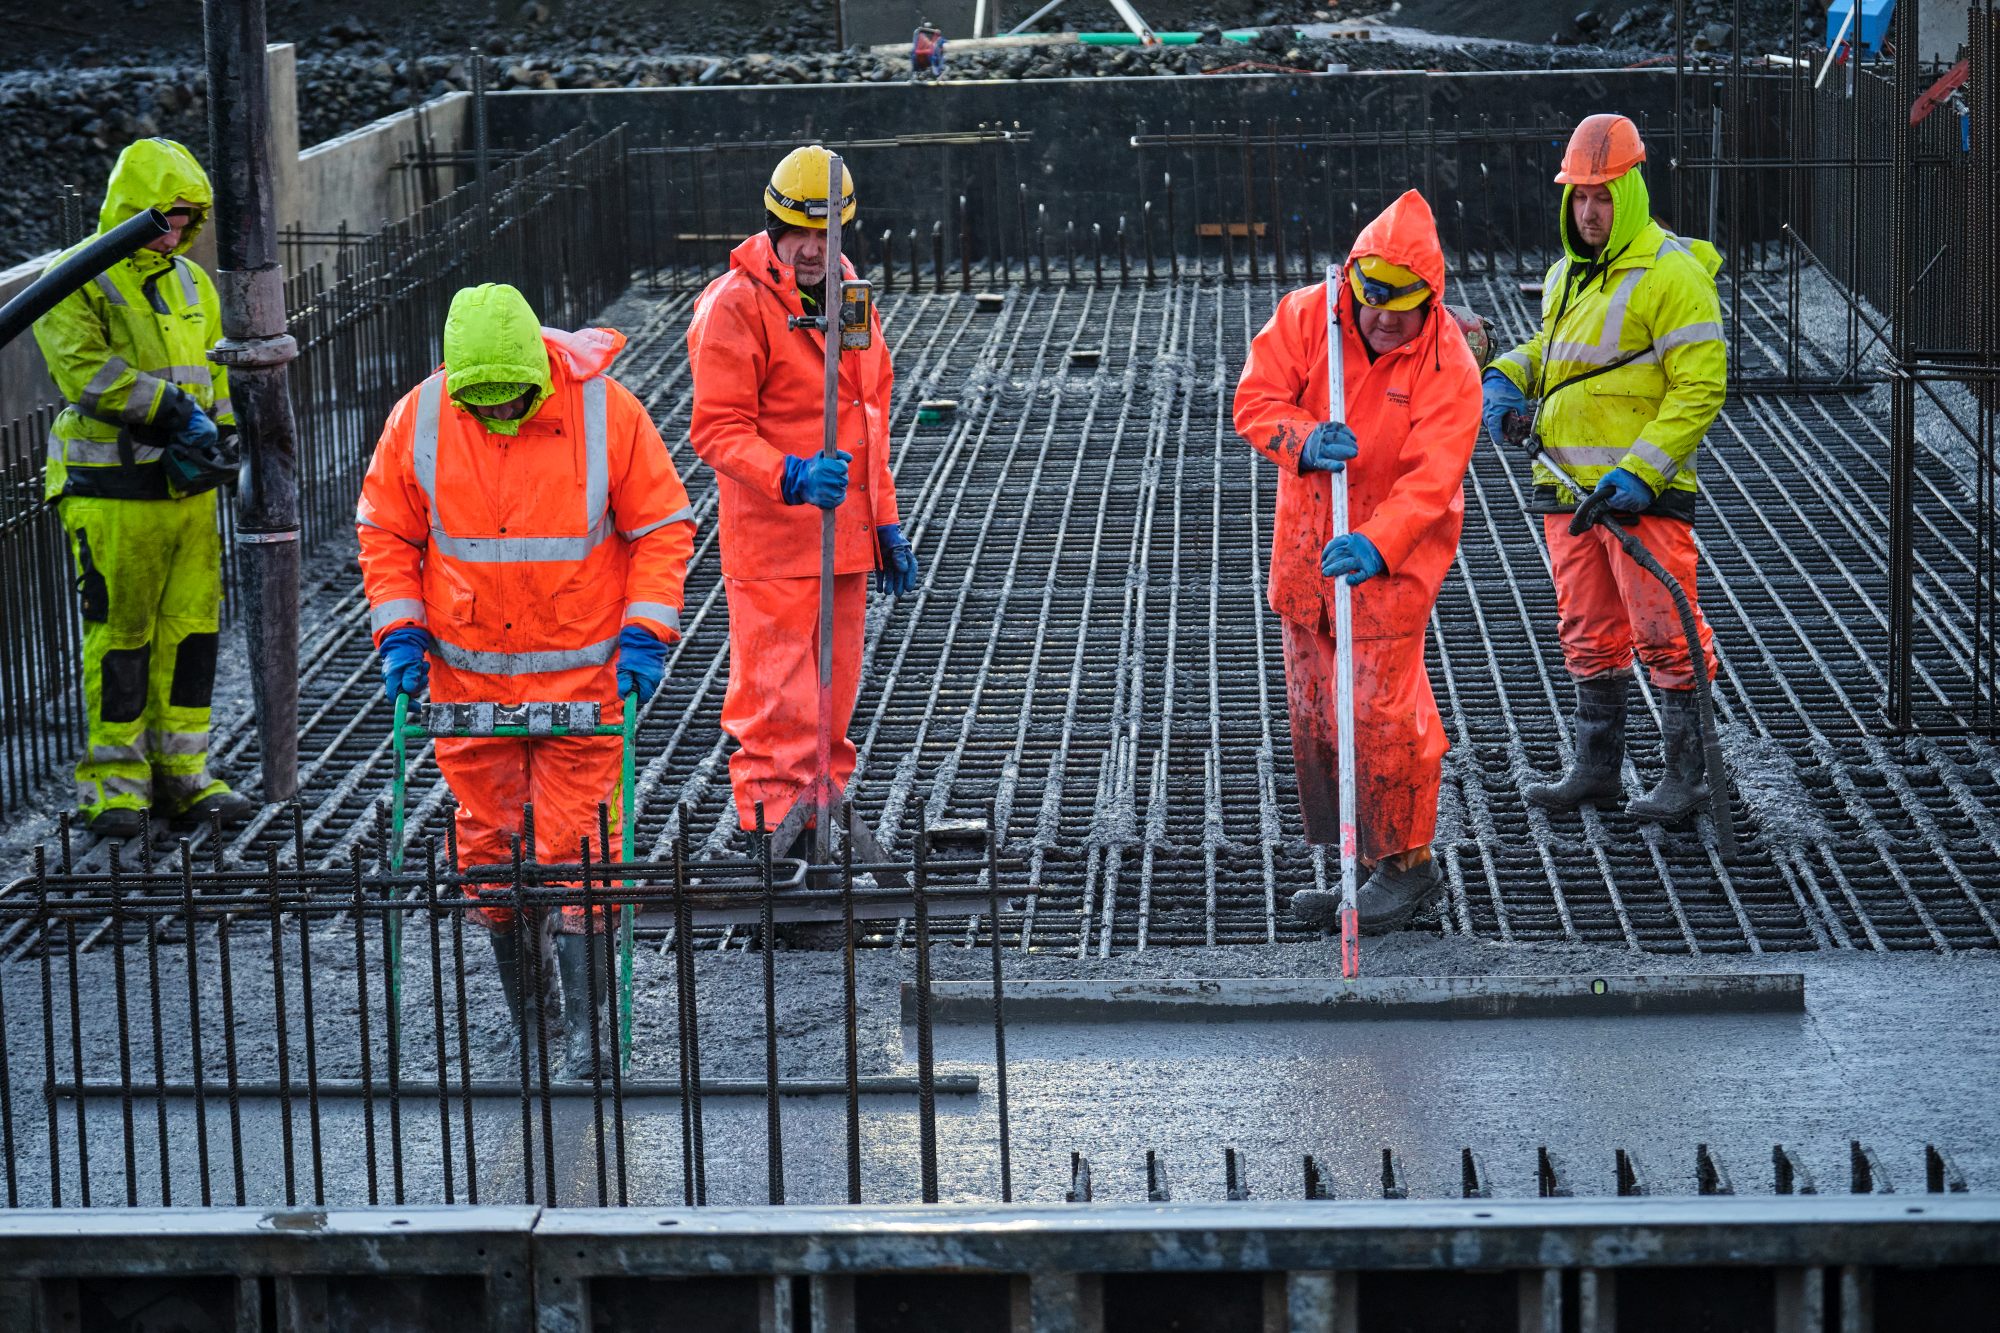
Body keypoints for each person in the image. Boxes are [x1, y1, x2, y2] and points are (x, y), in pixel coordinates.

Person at [356, 282, 695, 1069]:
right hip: (469, 687)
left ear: (541, 371)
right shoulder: (423, 419)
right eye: (484, 400)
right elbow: (385, 531)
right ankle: (535, 1015)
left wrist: (645, 633)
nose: (500, 412)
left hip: (583, 682)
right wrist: (400, 629)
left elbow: (662, 527)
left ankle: (590, 1033)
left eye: (513, 396)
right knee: (488, 853)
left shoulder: (608, 414)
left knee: (584, 850)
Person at [1233, 189, 1481, 935]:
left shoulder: (1449, 365)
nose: (1380, 318)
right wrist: (1300, 439)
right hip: (1308, 554)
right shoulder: (1310, 314)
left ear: (1429, 302)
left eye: (1399, 308)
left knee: (1382, 715)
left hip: (1389, 566)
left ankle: (1408, 867)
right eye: (1371, 300)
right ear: (1353, 281)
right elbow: (1255, 399)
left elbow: (1432, 481)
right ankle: (1357, 864)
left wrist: (1379, 542)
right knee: (1322, 717)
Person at [1481, 113, 1726, 823]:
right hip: (1568, 487)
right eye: (1580, 196)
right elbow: (1559, 353)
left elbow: (1700, 386)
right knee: (1587, 631)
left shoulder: (1671, 275)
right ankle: (1597, 771)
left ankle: (1691, 778)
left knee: (1666, 632)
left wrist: (1642, 471)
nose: (1590, 211)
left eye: (1604, 195)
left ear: (1633, 192)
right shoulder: (1568, 273)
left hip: (1638, 499)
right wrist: (1506, 373)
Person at [684, 144, 919, 856]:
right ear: (774, 227)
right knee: (776, 709)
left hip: (844, 540)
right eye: (800, 235)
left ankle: (819, 838)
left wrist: (886, 524)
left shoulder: (850, 294)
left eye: (828, 235)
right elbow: (717, 429)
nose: (814, 250)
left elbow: (869, 414)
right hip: (775, 543)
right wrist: (788, 474)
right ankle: (770, 847)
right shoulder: (736, 306)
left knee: (830, 708)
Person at [33, 138, 255, 841]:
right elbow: (84, 373)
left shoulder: (192, 284)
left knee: (190, 635)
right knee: (122, 639)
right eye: (170, 215)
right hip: (111, 488)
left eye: (191, 218)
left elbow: (215, 372)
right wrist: (175, 414)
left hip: (183, 492)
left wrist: (220, 432)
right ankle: (115, 787)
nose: (180, 230)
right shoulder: (78, 277)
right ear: (135, 209)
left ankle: (186, 776)